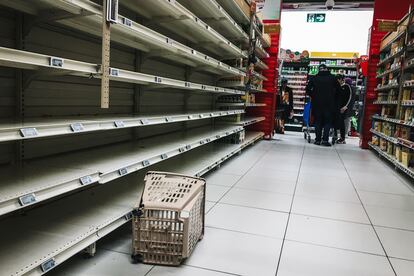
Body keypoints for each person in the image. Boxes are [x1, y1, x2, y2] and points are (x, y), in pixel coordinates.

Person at [306, 64, 342, 146]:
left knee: (318, 121)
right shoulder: (333, 78)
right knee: (327, 122)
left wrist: (314, 95)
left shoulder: (314, 78)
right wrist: (333, 97)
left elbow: (307, 89)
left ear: (319, 69)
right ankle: (325, 140)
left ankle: (317, 140)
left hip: (317, 103)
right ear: (327, 69)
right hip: (329, 104)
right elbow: (339, 90)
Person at [336, 77, 356, 144]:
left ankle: (343, 137)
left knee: (343, 123)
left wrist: (345, 106)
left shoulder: (347, 87)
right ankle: (343, 136)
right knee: (345, 122)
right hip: (348, 108)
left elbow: (348, 98)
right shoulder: (351, 88)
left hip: (345, 108)